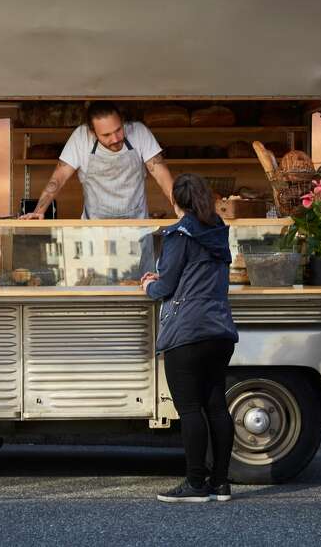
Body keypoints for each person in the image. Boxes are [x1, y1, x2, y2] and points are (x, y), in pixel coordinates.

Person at [142, 173, 239, 503]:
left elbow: (165, 286)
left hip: (187, 331)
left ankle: (196, 484)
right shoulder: (218, 232)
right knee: (216, 406)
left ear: (175, 202)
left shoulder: (179, 235)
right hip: (220, 331)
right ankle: (222, 483)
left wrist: (148, 285)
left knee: (189, 409)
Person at [20, 101, 174, 220]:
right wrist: (38, 211)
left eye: (118, 130)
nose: (115, 139)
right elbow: (58, 178)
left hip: (136, 228)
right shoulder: (81, 138)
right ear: (92, 132)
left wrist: (180, 209)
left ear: (123, 122)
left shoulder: (139, 132)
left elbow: (161, 175)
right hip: (95, 230)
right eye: (106, 135)